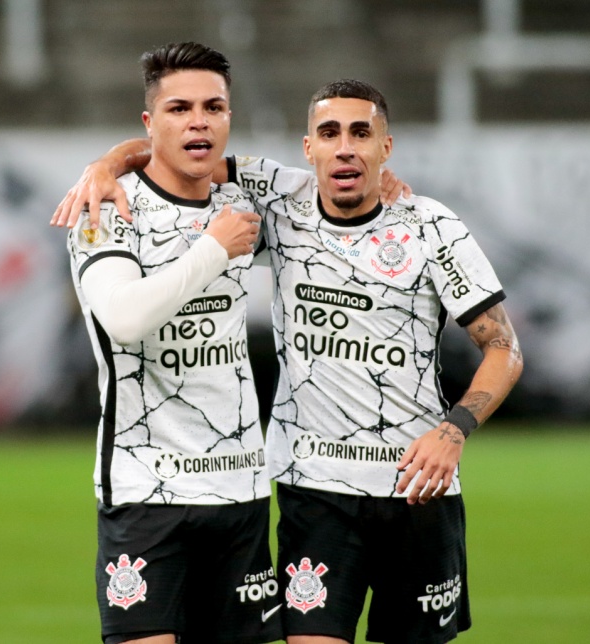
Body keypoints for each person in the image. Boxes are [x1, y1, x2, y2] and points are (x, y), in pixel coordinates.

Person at [56, 79, 523, 644]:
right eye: (330, 133)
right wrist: (105, 164)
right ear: (309, 149)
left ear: (386, 147)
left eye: (361, 133)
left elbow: (504, 347)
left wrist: (455, 429)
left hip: (417, 491)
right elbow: (175, 149)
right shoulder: (279, 200)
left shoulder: (431, 226)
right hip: (315, 490)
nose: (345, 147)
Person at [66, 41, 282, 644]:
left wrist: (385, 180)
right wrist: (213, 248)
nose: (198, 121)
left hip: (239, 486)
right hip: (145, 490)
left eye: (214, 107)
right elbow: (125, 319)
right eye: (179, 108)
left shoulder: (245, 202)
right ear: (149, 122)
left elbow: (341, 190)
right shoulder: (104, 209)